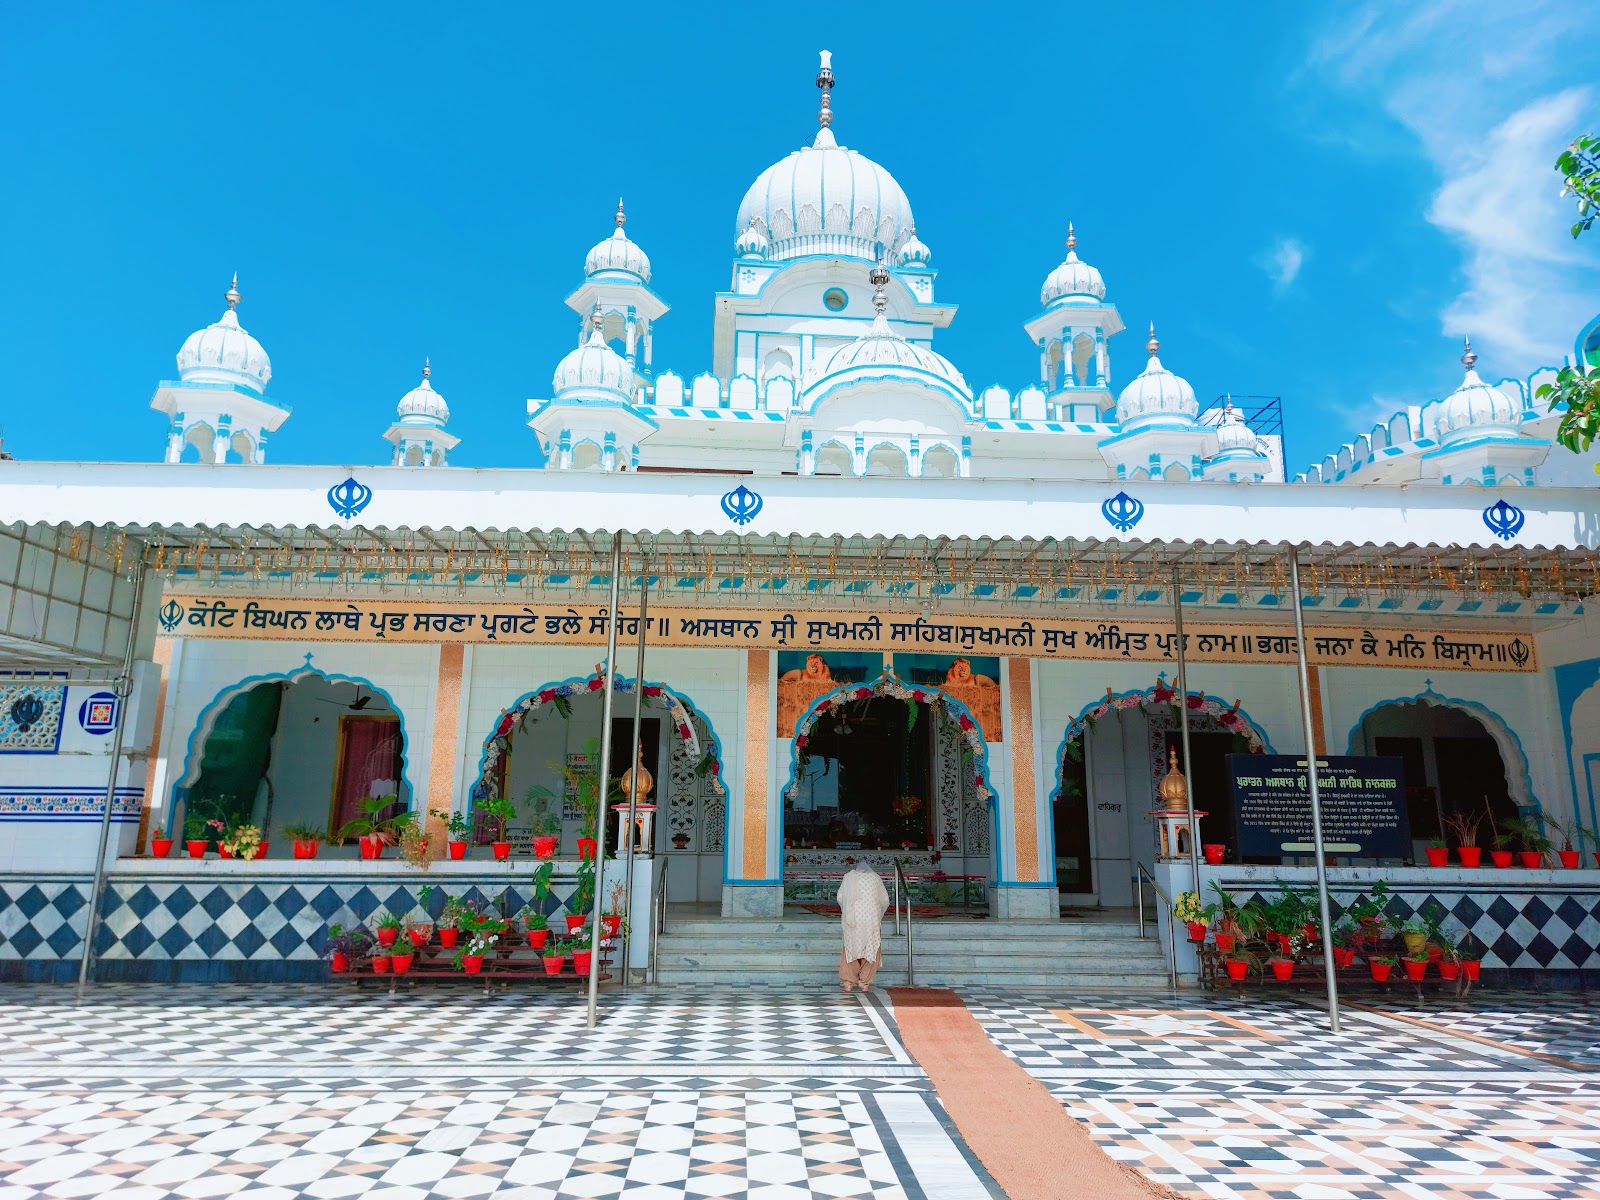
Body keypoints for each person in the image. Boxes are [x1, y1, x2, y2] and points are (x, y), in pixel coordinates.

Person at [836, 861, 889, 991]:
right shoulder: (875, 877)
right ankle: (865, 983)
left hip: (853, 918)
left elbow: (840, 897)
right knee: (871, 947)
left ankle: (848, 983)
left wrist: (847, 909)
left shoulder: (849, 877)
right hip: (871, 918)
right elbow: (885, 900)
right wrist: (878, 912)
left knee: (850, 947)